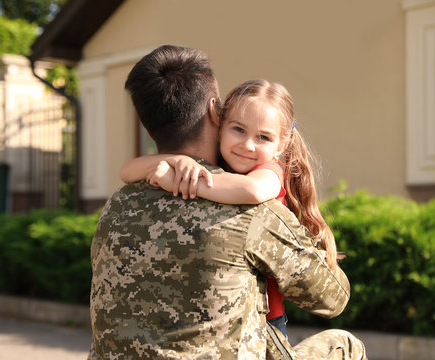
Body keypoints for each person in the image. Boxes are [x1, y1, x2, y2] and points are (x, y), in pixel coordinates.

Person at [89, 44, 367, 359]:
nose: (248, 143)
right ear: (214, 110)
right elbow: (333, 297)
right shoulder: (248, 211)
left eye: (262, 137)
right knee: (345, 346)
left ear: (146, 125)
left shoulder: (116, 206)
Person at [119, 79, 342, 339]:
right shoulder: (219, 165)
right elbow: (126, 171)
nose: (248, 145)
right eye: (238, 129)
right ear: (220, 125)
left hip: (265, 321)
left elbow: (252, 191)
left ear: (282, 144)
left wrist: (189, 183)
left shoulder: (269, 171)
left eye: (263, 137)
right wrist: (174, 160)